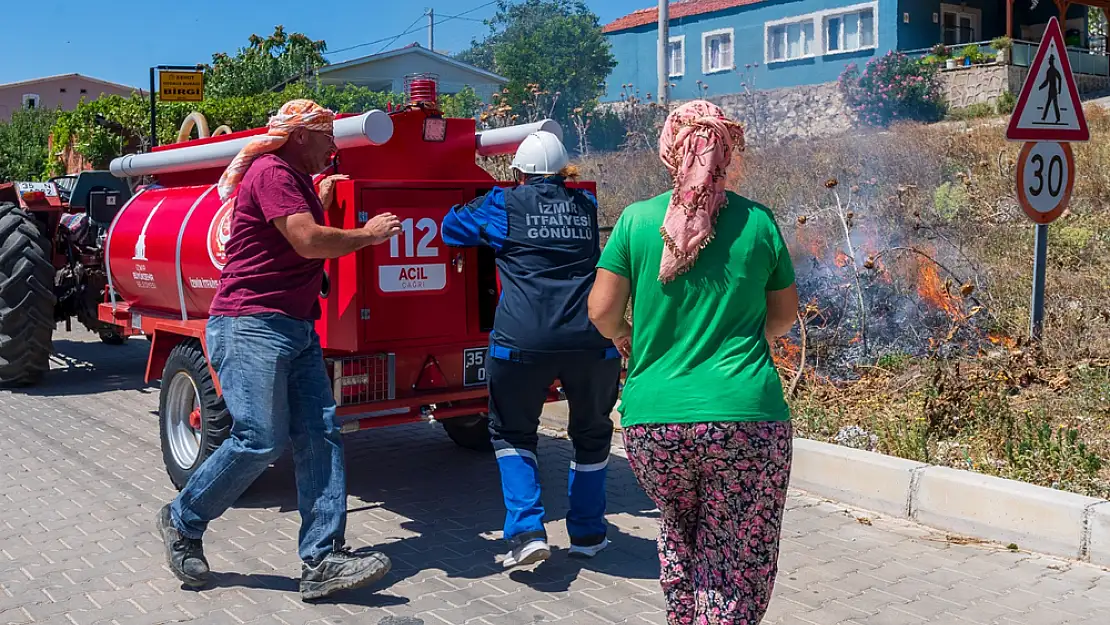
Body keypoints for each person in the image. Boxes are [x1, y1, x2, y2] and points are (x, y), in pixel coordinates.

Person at [155, 99, 403, 601]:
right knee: (259, 440)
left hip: (293, 327)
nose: (333, 145)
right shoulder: (271, 170)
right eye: (327, 136)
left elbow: (295, 229)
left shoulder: (291, 177)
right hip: (251, 325)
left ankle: (323, 560)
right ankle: (182, 520)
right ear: (300, 137)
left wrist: (319, 193)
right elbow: (307, 241)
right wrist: (367, 234)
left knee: (321, 434)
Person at [587, 101, 799, 624]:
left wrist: (629, 336)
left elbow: (601, 313)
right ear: (727, 150)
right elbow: (783, 319)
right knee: (735, 558)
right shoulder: (759, 223)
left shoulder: (636, 220)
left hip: (654, 424)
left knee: (681, 532)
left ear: (670, 149)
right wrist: (747, 332)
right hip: (745, 420)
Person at [441, 131, 622, 569]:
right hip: (590, 339)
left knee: (511, 433)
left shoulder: (504, 204)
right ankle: (588, 533)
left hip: (523, 340)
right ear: (564, 171)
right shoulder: (586, 207)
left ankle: (525, 532)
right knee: (592, 435)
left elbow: (451, 229)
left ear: (517, 172)